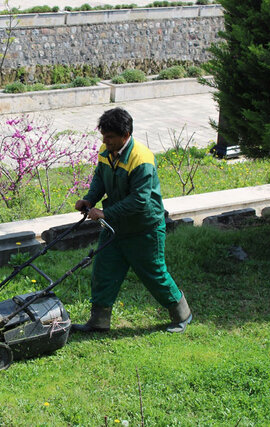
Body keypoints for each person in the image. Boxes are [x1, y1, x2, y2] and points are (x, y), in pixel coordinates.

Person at [73, 107, 192, 334]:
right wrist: (89, 199)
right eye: (103, 136)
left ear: (125, 136)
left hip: (144, 228)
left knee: (154, 273)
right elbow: (100, 178)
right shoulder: (106, 152)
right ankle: (98, 321)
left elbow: (140, 200)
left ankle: (182, 315)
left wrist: (105, 213)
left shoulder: (141, 159)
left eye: (110, 137)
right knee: (103, 272)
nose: (105, 141)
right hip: (116, 227)